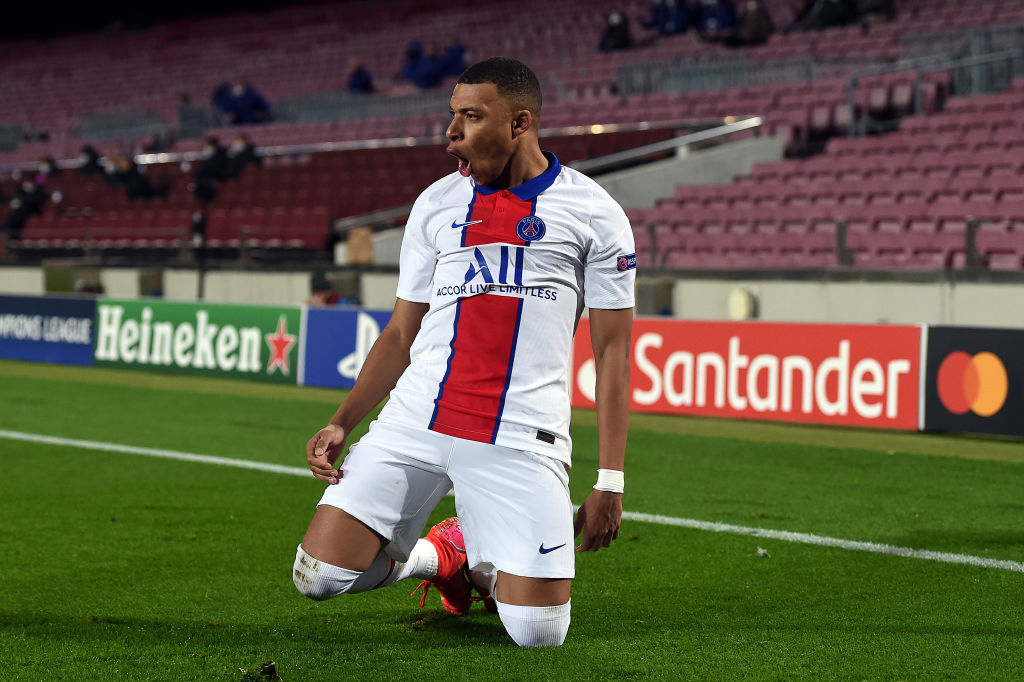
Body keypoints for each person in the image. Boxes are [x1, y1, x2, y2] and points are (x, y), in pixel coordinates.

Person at [293, 57, 635, 648]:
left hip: (520, 433)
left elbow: (612, 352)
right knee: (318, 576)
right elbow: (400, 333)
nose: (451, 132)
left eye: (471, 117)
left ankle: (473, 560)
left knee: (539, 632)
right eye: (453, 115)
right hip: (418, 417)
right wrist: (341, 421)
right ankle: (443, 555)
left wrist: (610, 479)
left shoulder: (594, 214)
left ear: (520, 123)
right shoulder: (436, 204)